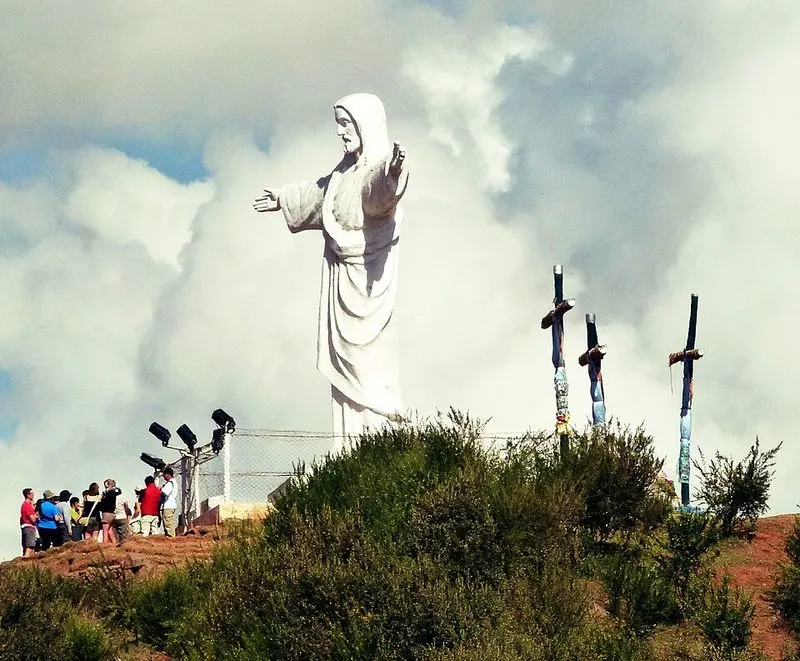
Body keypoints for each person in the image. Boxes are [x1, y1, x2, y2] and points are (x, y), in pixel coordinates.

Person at [254, 93, 409, 452]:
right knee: (343, 377)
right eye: (338, 124)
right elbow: (318, 192)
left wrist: (394, 173)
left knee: (369, 367)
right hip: (340, 280)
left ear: (366, 125)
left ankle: (379, 442)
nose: (341, 132)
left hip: (367, 285)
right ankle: (349, 449)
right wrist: (282, 197)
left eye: (346, 123)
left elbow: (379, 195)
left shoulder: (375, 170)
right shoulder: (342, 174)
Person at [98, 479, 121, 544]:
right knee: (110, 531)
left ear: (107, 484)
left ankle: (105, 546)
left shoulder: (107, 493)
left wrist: (102, 498)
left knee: (105, 532)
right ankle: (114, 544)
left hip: (106, 514)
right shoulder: (115, 492)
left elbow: (103, 503)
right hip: (112, 514)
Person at [20, 487, 39, 557]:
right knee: (29, 548)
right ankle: (24, 563)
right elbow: (33, 519)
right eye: (31, 493)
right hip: (29, 527)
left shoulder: (26, 505)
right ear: (28, 495)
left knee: (30, 548)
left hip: (26, 527)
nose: (33, 495)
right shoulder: (27, 505)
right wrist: (37, 516)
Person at [160, 467, 177, 537]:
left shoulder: (170, 483)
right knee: (168, 523)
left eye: (164, 474)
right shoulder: (173, 482)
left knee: (168, 524)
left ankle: (171, 538)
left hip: (168, 506)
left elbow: (165, 492)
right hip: (170, 505)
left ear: (168, 474)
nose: (163, 476)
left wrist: (161, 489)